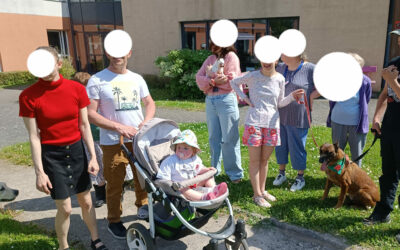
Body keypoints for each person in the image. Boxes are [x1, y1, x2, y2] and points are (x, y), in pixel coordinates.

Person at [19, 47, 107, 250]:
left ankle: (95, 240)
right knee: (66, 208)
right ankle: (63, 246)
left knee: (86, 201)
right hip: (52, 154)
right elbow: (34, 136)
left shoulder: (76, 89)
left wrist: (93, 157)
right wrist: (39, 172)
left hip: (77, 151)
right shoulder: (28, 96)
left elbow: (85, 125)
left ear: (59, 64)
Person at [86, 35, 156, 239]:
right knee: (115, 184)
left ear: (129, 53)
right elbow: (91, 114)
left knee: (142, 178)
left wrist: (146, 121)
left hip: (137, 139)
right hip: (112, 143)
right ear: (108, 53)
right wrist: (118, 127)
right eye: (113, 52)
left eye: (122, 51)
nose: (118, 56)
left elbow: (149, 103)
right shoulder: (97, 80)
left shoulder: (136, 78)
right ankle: (114, 220)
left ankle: (143, 207)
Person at [231, 60, 304, 207]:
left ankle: (262, 191)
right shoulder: (252, 76)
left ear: (276, 60)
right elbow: (233, 82)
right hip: (254, 124)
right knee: (254, 161)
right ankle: (256, 195)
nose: (266, 62)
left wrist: (291, 97)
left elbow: (279, 103)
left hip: (272, 125)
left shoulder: (280, 79)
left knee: (264, 161)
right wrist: (244, 98)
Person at [363, 30, 400, 242]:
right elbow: (385, 95)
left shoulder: (391, 72)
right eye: (398, 37)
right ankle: (383, 211)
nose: (399, 41)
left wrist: (392, 80)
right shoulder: (395, 62)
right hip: (391, 124)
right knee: (388, 173)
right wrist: (377, 117)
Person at [195, 41, 244, 183]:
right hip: (210, 100)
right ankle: (214, 170)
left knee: (229, 138)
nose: (214, 46)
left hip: (226, 100)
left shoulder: (231, 57)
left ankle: (235, 174)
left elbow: (232, 81)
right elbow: (199, 79)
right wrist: (213, 81)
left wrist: (211, 77)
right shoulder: (210, 59)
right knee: (213, 138)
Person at [272, 53, 320, 192]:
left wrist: (311, 96)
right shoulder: (280, 67)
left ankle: (300, 177)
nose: (281, 55)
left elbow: (324, 84)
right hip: (280, 114)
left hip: (299, 115)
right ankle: (281, 173)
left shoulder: (311, 68)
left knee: (297, 146)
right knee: (280, 145)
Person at [326, 53, 372, 167]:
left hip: (357, 123)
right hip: (338, 120)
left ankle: (355, 176)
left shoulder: (365, 81)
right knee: (336, 152)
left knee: (356, 152)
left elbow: (367, 98)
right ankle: (337, 174)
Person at [157, 129, 228, 201]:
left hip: (193, 183)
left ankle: (214, 190)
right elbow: (164, 180)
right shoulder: (170, 161)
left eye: (185, 148)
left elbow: (198, 170)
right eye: (179, 147)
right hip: (180, 188)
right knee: (183, 189)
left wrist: (206, 170)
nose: (181, 150)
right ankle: (203, 197)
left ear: (193, 151)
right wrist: (171, 185)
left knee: (208, 175)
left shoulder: (194, 159)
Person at [74, 72, 106, 208]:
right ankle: (100, 192)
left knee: (109, 165)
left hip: (103, 136)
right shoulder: (76, 101)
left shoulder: (98, 99)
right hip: (89, 138)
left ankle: (117, 190)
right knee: (94, 165)